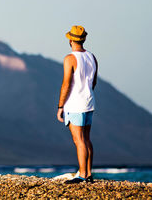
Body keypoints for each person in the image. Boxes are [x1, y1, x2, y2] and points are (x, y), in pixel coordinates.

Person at [56, 25, 98, 184]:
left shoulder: (70, 58)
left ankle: (82, 175)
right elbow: (94, 81)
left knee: (78, 140)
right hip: (89, 101)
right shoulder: (92, 57)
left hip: (75, 103)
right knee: (87, 139)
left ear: (71, 40)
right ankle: (88, 173)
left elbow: (66, 84)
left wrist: (60, 106)